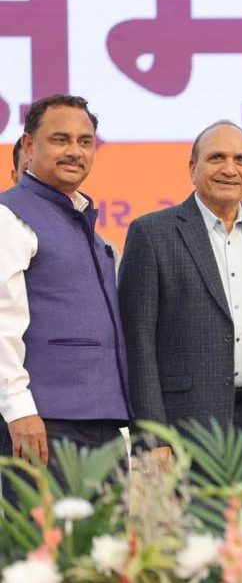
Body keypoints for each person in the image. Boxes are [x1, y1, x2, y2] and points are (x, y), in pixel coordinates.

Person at [118, 120, 242, 459]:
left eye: (241, 160)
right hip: (183, 428)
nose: (229, 169)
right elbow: (137, 344)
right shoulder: (152, 234)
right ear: (192, 168)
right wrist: (152, 438)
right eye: (216, 158)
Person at [0, 95, 132, 496]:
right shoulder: (9, 216)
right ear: (28, 145)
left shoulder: (87, 226)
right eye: (60, 139)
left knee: (106, 536)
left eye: (85, 141)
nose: (75, 151)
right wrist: (19, 410)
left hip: (103, 425)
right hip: (41, 424)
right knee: (44, 536)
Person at [11, 136, 122, 272]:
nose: (40, 180)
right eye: (29, 171)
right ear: (15, 177)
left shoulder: (104, 251)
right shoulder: (7, 236)